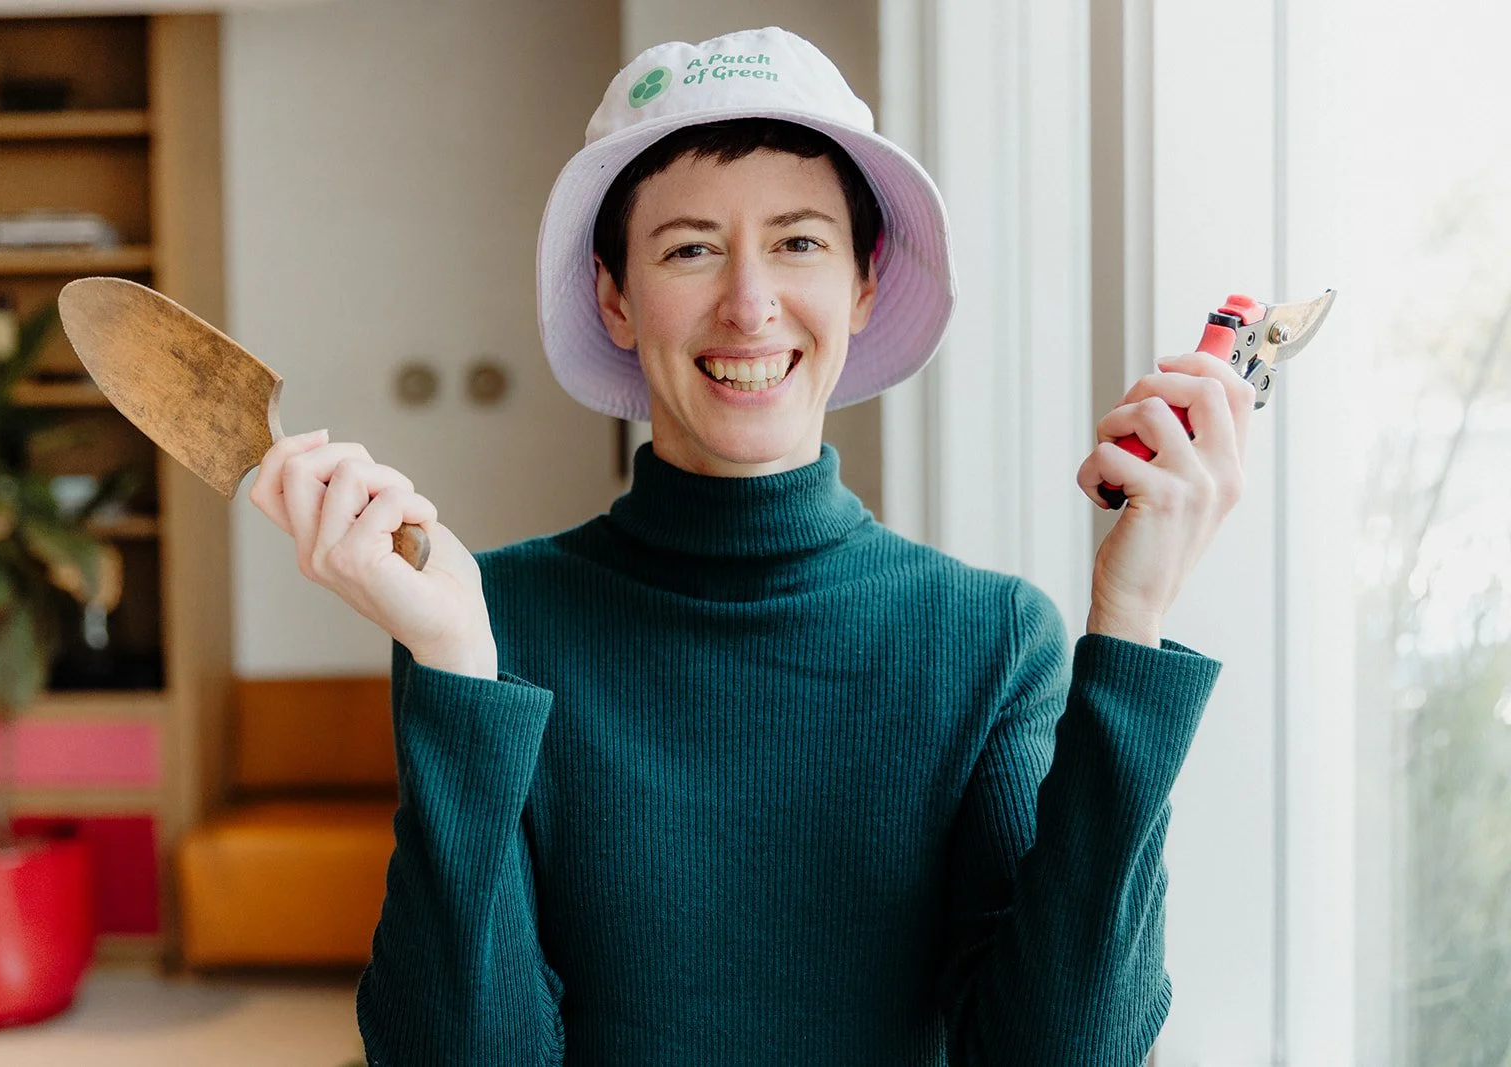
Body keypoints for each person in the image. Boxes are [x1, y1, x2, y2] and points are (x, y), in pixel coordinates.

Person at [247, 26, 1253, 1067]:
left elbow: (1058, 1051)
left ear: (863, 284)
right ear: (614, 297)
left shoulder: (989, 640)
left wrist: (1129, 629)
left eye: (799, 241)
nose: (749, 304)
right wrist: (458, 670)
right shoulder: (487, 619)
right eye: (689, 248)